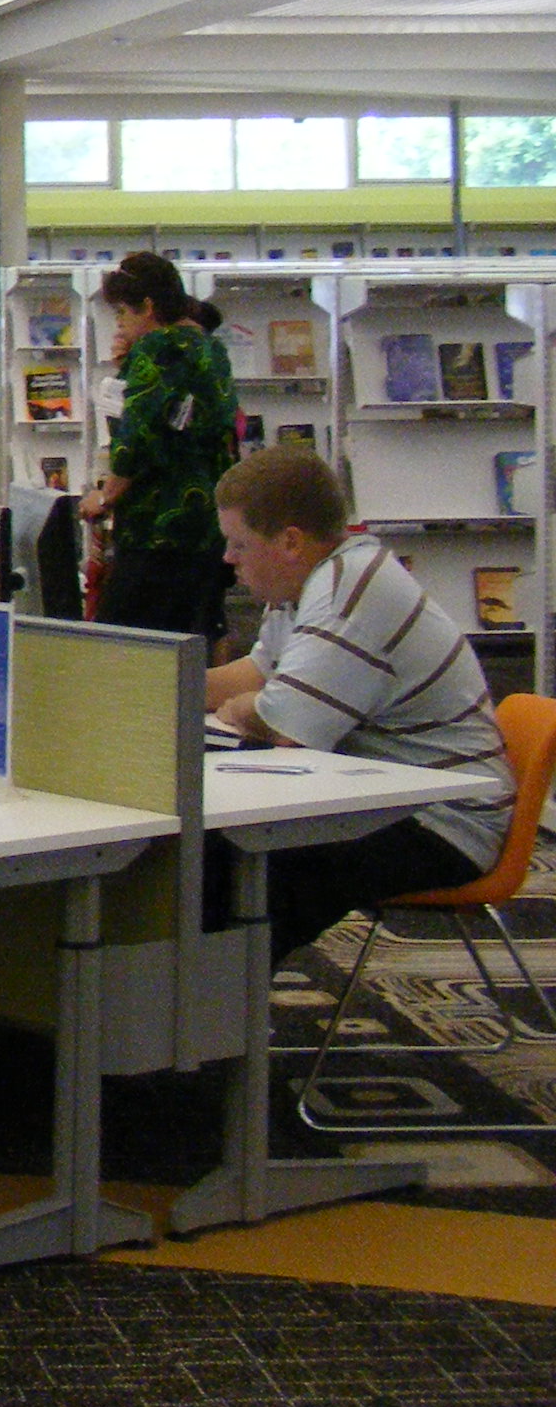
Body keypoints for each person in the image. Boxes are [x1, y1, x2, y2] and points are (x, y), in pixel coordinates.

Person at [202, 448, 512, 964]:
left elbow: (285, 727)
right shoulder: (307, 584)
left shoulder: (347, 593)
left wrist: (242, 709)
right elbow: (253, 677)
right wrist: (157, 682)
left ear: (290, 542)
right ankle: (199, 1013)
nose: (228, 559)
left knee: (248, 867)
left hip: (444, 820)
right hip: (387, 793)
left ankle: (212, 1016)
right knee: (220, 853)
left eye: (239, 544)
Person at [79, 250, 237, 639]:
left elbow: (137, 440)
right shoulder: (209, 347)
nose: (120, 324)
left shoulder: (157, 349)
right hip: (206, 525)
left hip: (160, 526)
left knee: (125, 644)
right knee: (191, 637)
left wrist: (105, 496)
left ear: (147, 307)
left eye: (122, 313)